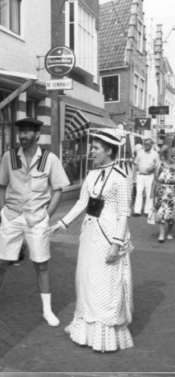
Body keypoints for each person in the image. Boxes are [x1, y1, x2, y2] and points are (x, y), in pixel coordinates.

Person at [0, 117, 70, 327]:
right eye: (21, 132)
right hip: (12, 217)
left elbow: (58, 190)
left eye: (27, 131)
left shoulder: (49, 159)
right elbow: (1, 187)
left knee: (41, 265)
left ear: (37, 135)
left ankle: (47, 310)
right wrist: (3, 212)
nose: (22, 135)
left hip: (37, 218)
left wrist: (47, 215)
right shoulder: (10, 156)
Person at [49, 128, 134, 352]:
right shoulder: (91, 175)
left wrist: (116, 244)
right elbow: (82, 203)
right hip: (89, 235)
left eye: (96, 148)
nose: (91, 152)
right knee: (86, 280)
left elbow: (123, 213)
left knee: (106, 284)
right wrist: (62, 223)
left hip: (108, 237)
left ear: (109, 150)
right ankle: (84, 326)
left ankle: (103, 334)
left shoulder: (122, 178)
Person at [151, 145, 175, 243]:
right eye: (172, 154)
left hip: (173, 194)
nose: (174, 156)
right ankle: (161, 234)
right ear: (166, 155)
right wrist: (152, 194)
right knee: (161, 213)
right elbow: (155, 180)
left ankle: (169, 232)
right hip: (161, 193)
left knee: (172, 215)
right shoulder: (160, 166)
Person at [133, 138, 159, 216]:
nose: (146, 145)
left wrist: (153, 168)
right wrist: (134, 174)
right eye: (145, 144)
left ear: (151, 145)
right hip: (140, 175)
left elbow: (158, 165)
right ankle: (137, 211)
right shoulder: (140, 152)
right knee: (139, 193)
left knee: (149, 193)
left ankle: (147, 211)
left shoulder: (155, 154)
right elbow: (136, 163)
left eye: (148, 144)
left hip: (150, 176)